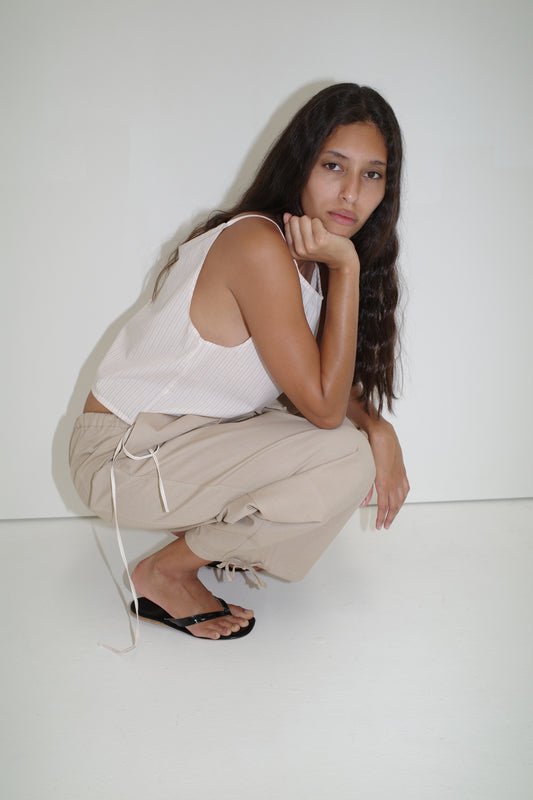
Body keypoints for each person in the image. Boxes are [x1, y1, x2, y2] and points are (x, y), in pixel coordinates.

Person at [69, 82, 410, 648]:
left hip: (180, 445)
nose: (352, 192)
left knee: (348, 443)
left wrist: (377, 424)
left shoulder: (310, 260)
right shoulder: (260, 245)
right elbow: (325, 412)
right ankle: (163, 573)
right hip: (121, 455)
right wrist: (347, 268)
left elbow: (320, 389)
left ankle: (202, 544)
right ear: (301, 162)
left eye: (373, 174)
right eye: (333, 165)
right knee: (343, 456)